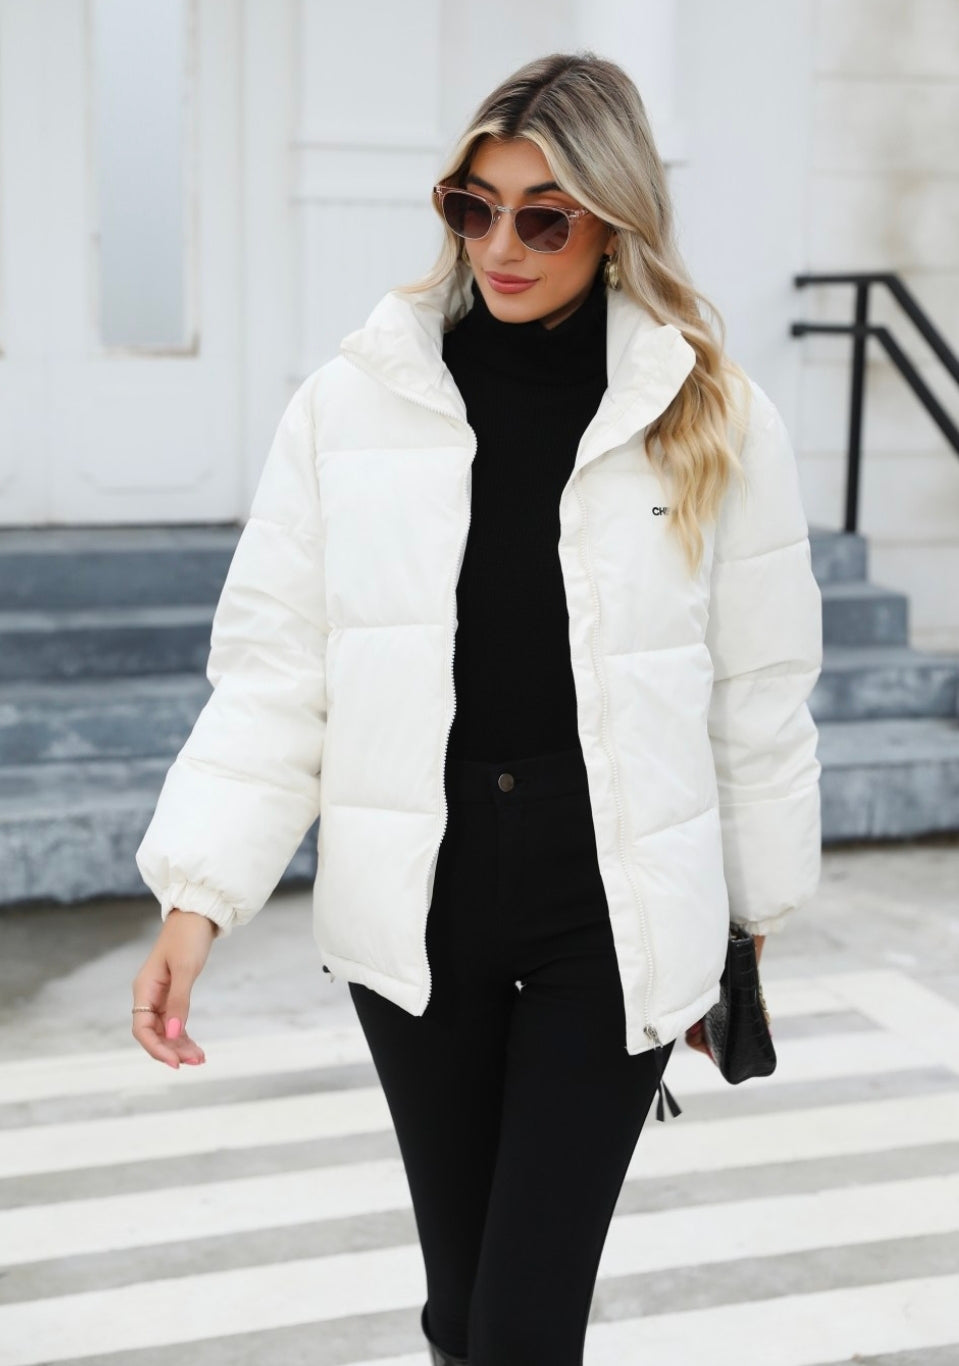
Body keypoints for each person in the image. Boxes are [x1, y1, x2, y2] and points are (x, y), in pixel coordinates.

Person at [131, 51, 823, 1366]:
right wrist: (196, 896)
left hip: (607, 914)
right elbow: (277, 671)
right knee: (462, 1308)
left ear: (613, 220)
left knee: (520, 1326)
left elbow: (760, 693)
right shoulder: (353, 405)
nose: (500, 246)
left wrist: (744, 922)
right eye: (474, 207)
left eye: (543, 218)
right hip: (420, 908)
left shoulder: (712, 416)